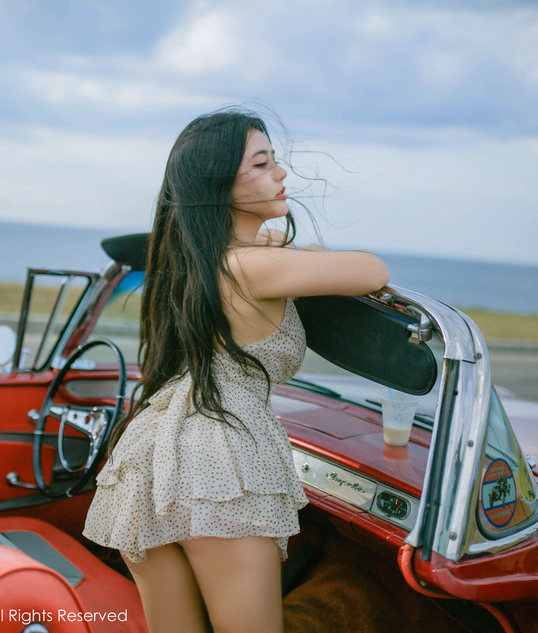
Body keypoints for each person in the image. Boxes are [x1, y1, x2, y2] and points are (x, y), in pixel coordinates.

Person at [83, 108, 389, 633]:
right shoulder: (251, 266)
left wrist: (284, 248)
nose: (281, 173)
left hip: (155, 451)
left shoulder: (198, 258)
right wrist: (309, 252)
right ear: (219, 183)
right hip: (218, 459)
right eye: (263, 164)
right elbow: (372, 270)